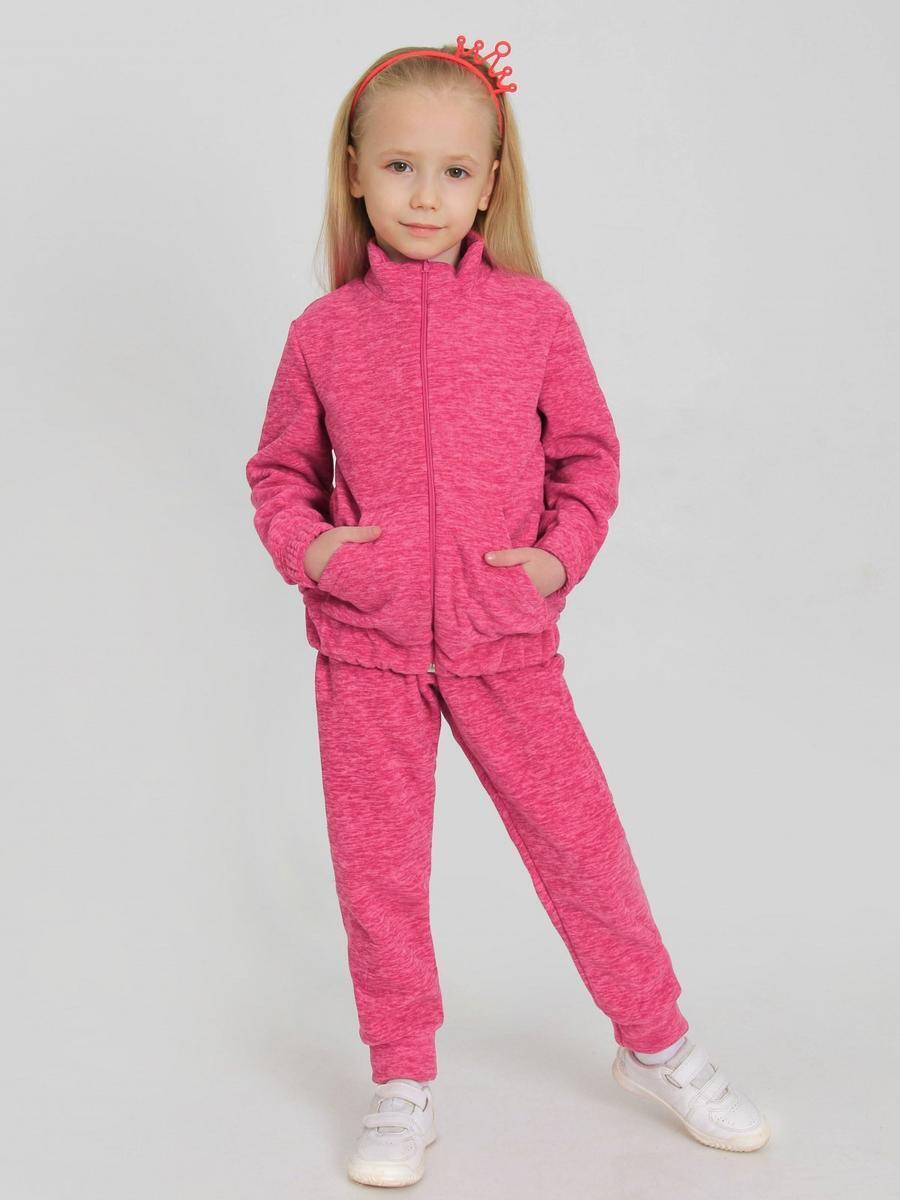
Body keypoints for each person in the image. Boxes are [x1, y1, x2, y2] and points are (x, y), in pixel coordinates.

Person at [245, 33, 770, 1188]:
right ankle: (401, 1080)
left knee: (583, 851)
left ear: (490, 182)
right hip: (367, 652)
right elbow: (278, 473)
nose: (424, 195)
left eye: (452, 171)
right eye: (399, 166)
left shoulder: (535, 318)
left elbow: (589, 458)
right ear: (353, 169)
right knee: (379, 877)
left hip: (506, 645)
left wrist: (552, 563)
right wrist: (316, 551)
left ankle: (658, 1043)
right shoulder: (323, 335)